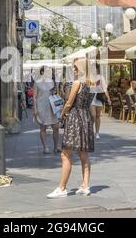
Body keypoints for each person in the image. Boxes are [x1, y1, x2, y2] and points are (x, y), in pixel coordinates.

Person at [47, 59, 94, 199]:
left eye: (75, 67)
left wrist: (61, 114)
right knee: (83, 154)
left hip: (74, 118)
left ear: (81, 68)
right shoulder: (88, 84)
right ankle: (85, 186)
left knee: (65, 154)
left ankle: (62, 188)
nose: (73, 70)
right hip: (85, 118)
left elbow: (68, 103)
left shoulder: (77, 83)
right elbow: (89, 105)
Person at [34, 66, 60, 154]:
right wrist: (35, 109)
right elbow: (34, 97)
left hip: (52, 106)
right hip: (41, 106)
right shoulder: (37, 83)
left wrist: (55, 89)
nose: (50, 73)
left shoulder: (51, 81)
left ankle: (56, 147)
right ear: (42, 72)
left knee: (56, 127)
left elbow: (53, 93)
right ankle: (45, 147)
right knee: (43, 128)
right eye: (48, 71)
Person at [89, 64, 111, 140]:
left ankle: (97, 132)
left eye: (94, 68)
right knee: (93, 115)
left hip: (99, 97)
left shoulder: (101, 77)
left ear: (97, 69)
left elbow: (105, 88)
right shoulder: (88, 77)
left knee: (98, 115)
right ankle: (90, 131)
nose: (93, 70)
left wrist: (108, 98)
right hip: (91, 97)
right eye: (91, 68)